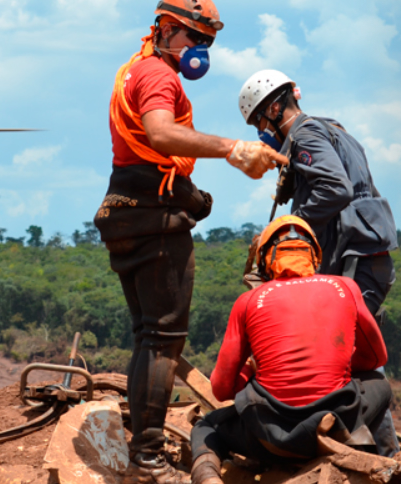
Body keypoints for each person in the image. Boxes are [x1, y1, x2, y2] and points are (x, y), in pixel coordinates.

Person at [93, 1, 289, 480]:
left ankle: (143, 450)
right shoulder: (159, 77)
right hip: (154, 226)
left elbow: (144, 159)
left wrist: (190, 195)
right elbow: (160, 133)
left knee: (148, 337)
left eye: (207, 43)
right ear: (164, 29)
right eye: (193, 38)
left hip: (126, 212)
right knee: (163, 340)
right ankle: (148, 459)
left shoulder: (132, 71)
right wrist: (233, 149)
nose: (199, 51)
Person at [190, 215, 391, 484]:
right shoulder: (346, 287)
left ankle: (208, 478)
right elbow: (376, 358)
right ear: (314, 256)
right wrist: (330, 362)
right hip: (334, 423)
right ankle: (355, 445)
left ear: (265, 260)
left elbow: (221, 389)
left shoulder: (248, 301)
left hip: (270, 438)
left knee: (207, 425)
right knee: (380, 383)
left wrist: (251, 368)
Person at [237, 70, 398, 318]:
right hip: (363, 257)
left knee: (335, 347)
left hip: (354, 260)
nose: (260, 132)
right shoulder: (331, 128)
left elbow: (336, 189)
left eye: (258, 122)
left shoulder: (305, 136)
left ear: (273, 109)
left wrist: (288, 228)